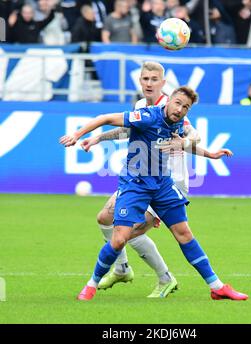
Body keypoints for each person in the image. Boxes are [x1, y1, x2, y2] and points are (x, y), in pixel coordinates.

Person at [60, 86, 248, 302]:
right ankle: (91, 284)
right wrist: (78, 134)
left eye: (185, 106)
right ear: (168, 101)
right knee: (120, 239)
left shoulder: (177, 123)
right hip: (135, 184)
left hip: (162, 184)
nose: (180, 109)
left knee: (184, 234)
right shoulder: (148, 116)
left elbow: (189, 141)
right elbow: (106, 118)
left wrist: (210, 154)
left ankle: (217, 287)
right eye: (177, 103)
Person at [77, 61, 200, 298]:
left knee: (128, 232)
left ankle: (165, 278)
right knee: (105, 218)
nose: (149, 83)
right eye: (145, 79)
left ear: (163, 83)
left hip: (169, 181)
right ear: (140, 81)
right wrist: (98, 138)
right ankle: (122, 268)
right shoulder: (141, 105)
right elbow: (128, 131)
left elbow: (194, 135)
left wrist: (184, 143)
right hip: (141, 179)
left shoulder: (173, 105)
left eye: (155, 79)